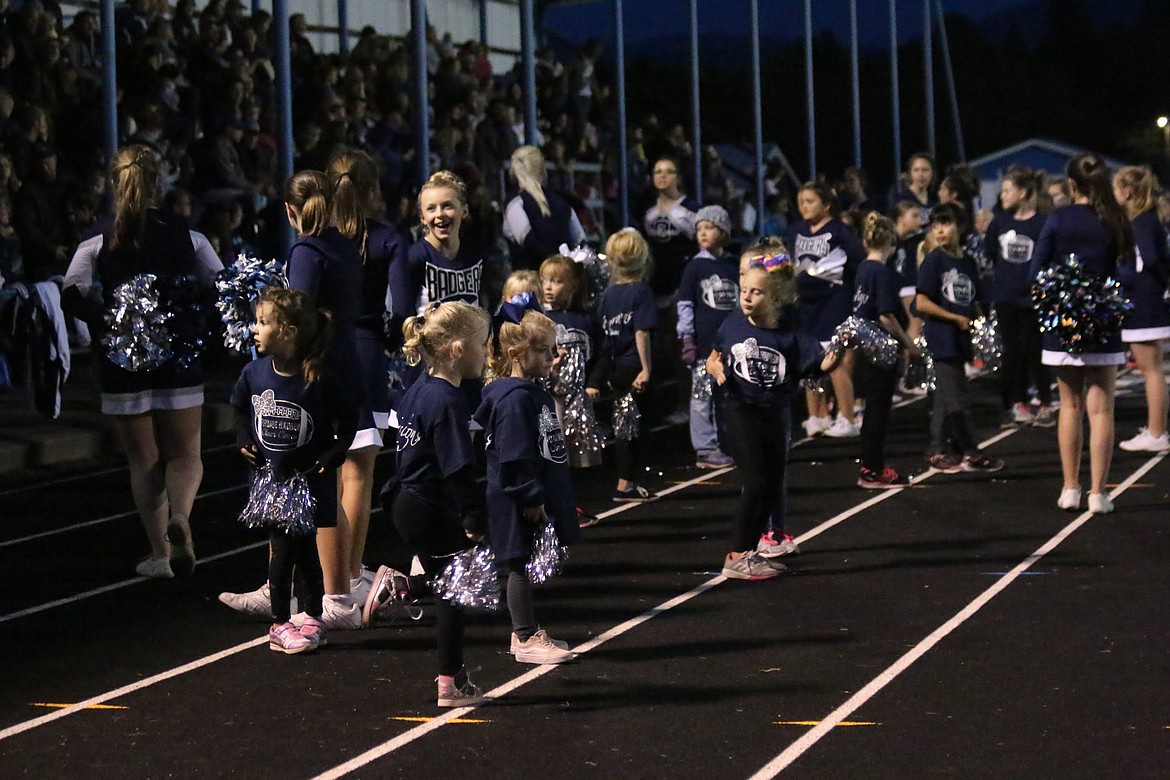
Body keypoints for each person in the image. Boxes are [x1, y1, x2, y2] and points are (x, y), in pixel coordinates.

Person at [62, 145, 223, 578]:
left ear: (116, 184)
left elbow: (70, 293)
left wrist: (110, 321)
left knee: (143, 461)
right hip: (178, 357)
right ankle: (182, 519)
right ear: (159, 184)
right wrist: (189, 314)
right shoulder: (187, 234)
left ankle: (159, 554)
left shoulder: (98, 238)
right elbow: (221, 282)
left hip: (122, 362)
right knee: (186, 453)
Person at [220, 171, 367, 628]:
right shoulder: (345, 242)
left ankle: (317, 595)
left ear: (289, 211)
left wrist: (277, 363)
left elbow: (297, 313)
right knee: (333, 489)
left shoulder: (306, 250)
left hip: (307, 381)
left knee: (293, 484)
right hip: (345, 363)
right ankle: (337, 592)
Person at [232, 288, 357, 654]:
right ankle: (279, 623)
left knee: (306, 553)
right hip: (273, 483)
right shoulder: (254, 372)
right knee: (282, 551)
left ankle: (312, 616)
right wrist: (243, 439)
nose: (254, 329)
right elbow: (239, 409)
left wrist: (335, 452)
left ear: (287, 331)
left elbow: (347, 417)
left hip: (308, 479)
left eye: (262, 322)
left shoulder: (317, 375)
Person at [706, 247, 838, 580]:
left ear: (775, 297)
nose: (747, 297)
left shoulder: (788, 330)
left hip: (776, 412)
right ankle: (736, 554)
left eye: (756, 292)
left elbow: (820, 363)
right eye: (744, 290)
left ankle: (747, 553)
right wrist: (716, 369)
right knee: (756, 482)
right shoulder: (733, 322)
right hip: (741, 409)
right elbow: (713, 357)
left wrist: (841, 346)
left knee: (770, 483)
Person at [393, 300, 492, 707]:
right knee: (454, 593)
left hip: (407, 502)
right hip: (429, 505)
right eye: (482, 346)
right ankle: (450, 683)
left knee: (445, 581)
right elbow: (457, 469)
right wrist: (474, 517)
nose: (487, 354)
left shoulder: (416, 391)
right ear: (457, 349)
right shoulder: (448, 402)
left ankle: (405, 585)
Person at [327, 149, 410, 617]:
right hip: (364, 355)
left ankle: (333, 579)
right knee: (359, 473)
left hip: (323, 358)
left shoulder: (315, 239)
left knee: (326, 474)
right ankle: (348, 579)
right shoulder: (386, 240)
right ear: (373, 189)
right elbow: (399, 314)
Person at [474, 297, 579, 664]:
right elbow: (515, 455)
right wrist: (531, 497)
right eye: (546, 350)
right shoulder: (515, 400)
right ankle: (524, 635)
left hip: (522, 493)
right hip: (512, 498)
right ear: (518, 353)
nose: (554, 356)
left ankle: (526, 629)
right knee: (516, 564)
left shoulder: (530, 392)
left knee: (521, 562)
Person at [1030, 153, 1133, 513]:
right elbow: (1127, 274)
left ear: (1071, 185)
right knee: (1102, 409)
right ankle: (1098, 494)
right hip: (1104, 322)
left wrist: (1064, 301)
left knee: (1070, 405)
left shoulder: (1058, 219)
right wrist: (1102, 299)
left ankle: (1070, 489)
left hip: (1065, 324)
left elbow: (1036, 273)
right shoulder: (1116, 218)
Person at [916, 202, 1005, 475]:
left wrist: (979, 323)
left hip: (960, 339)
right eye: (936, 225)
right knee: (957, 400)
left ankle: (937, 449)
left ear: (960, 226)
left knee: (945, 398)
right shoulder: (934, 260)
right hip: (942, 337)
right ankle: (972, 452)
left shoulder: (966, 262)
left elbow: (973, 299)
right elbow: (921, 302)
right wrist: (954, 318)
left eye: (947, 223)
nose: (940, 230)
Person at [787, 180, 865, 438]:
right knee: (810, 362)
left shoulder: (839, 231)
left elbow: (859, 261)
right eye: (801, 202)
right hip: (806, 306)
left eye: (810, 201)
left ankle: (846, 417)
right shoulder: (797, 230)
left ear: (827, 205)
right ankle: (817, 415)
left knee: (835, 363)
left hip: (834, 303)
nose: (804, 207)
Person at [586, 228, 657, 502]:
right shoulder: (642, 292)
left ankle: (627, 480)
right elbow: (642, 332)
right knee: (633, 429)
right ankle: (625, 482)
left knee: (623, 425)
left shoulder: (609, 296)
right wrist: (646, 368)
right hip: (632, 366)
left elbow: (604, 336)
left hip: (615, 367)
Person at [985, 167, 1053, 429]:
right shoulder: (999, 222)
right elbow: (992, 253)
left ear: (1022, 193)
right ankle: (1011, 404)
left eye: (1007, 191)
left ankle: (1045, 402)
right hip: (1005, 297)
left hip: (1033, 297)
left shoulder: (1042, 223)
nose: (1002, 196)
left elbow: (1046, 257)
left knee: (1035, 350)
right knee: (1011, 351)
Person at [853, 213, 918, 488]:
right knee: (879, 411)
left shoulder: (862, 269)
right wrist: (908, 343)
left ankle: (871, 464)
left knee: (872, 411)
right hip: (879, 349)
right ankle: (872, 468)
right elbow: (886, 316)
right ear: (891, 242)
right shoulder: (880, 272)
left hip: (865, 348)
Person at [1112, 166, 1170, 453]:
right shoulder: (1146, 219)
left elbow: (1150, 258)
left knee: (1151, 370)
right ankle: (1156, 429)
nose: (1113, 194)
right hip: (1147, 298)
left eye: (1116, 188)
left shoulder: (1142, 221)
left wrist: (1135, 281)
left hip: (1143, 301)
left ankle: (1157, 433)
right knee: (1153, 369)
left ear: (1128, 191)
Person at [677, 204, 738, 469]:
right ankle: (705, 447)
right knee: (703, 397)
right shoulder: (694, 268)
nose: (702, 232)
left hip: (732, 343)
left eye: (709, 227)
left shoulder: (732, 265)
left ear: (722, 232)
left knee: (729, 395)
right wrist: (687, 338)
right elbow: (685, 305)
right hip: (704, 346)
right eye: (699, 228)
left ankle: (728, 442)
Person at [502, 145, 586, 271]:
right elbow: (581, 242)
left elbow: (529, 244)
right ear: (543, 172)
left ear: (514, 172)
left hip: (529, 283)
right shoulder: (562, 203)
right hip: (563, 281)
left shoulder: (515, 203)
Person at [888, 152, 937, 221]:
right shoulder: (900, 197)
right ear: (910, 173)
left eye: (925, 170)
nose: (920, 174)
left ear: (932, 173)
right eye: (916, 170)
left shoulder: (935, 198)